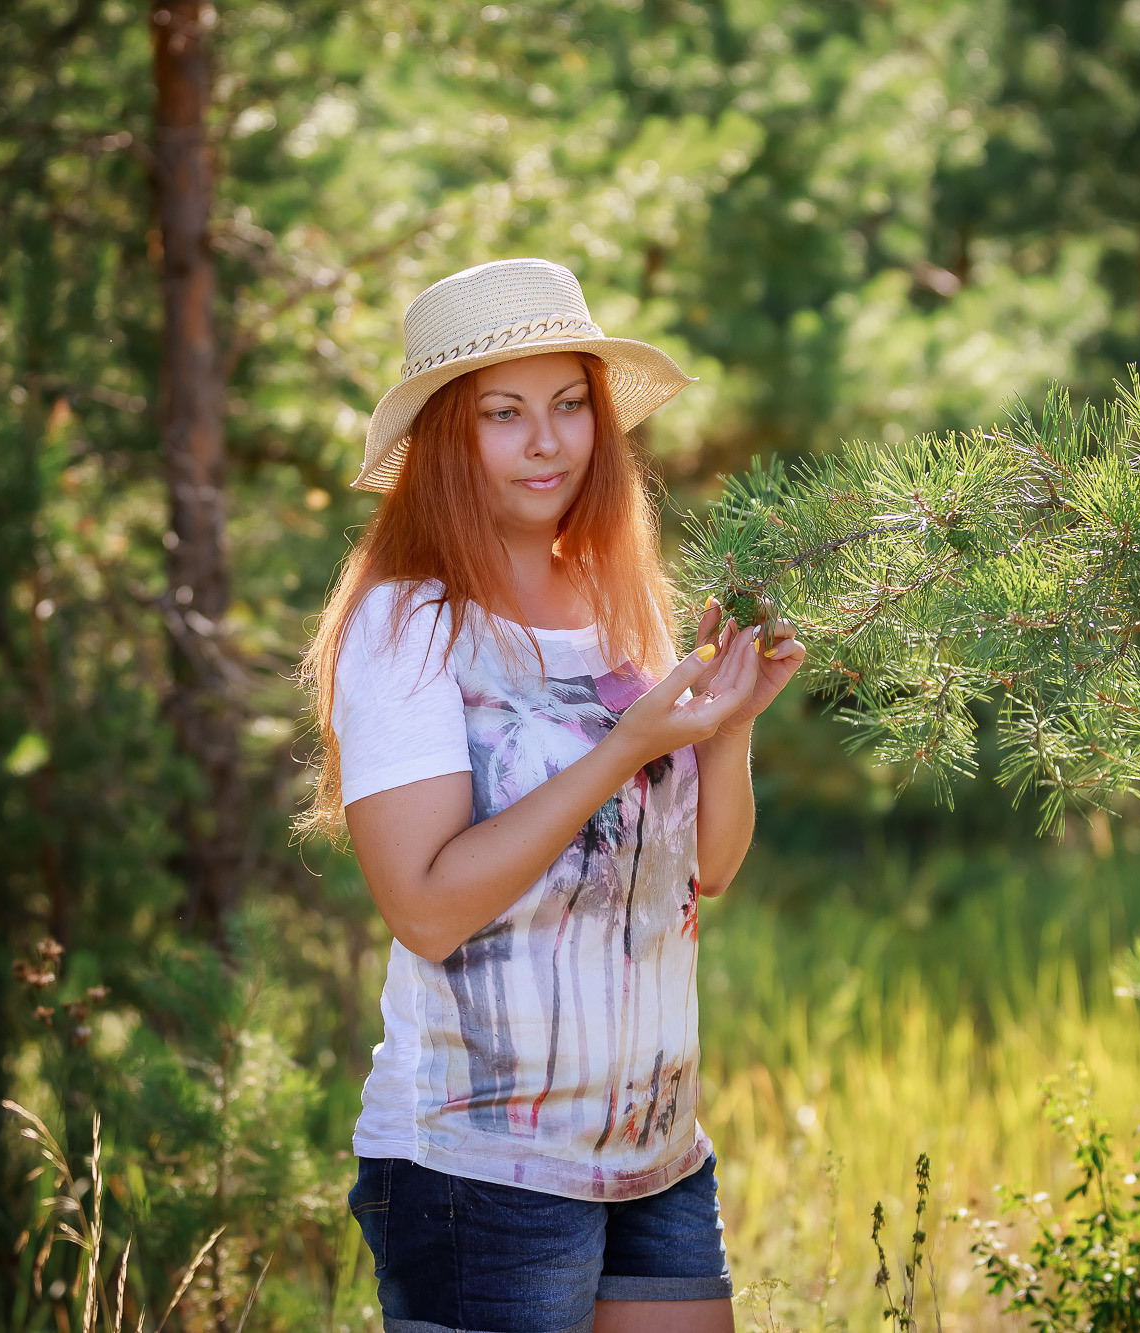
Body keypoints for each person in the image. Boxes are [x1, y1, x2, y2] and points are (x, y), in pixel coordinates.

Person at [299, 257, 805, 1333]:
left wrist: (732, 726)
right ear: (447, 435)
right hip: (480, 1165)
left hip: (656, 1151)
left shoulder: (618, 597)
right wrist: (623, 747)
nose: (548, 440)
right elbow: (426, 909)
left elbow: (705, 869)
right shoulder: (410, 625)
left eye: (570, 405)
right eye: (505, 413)